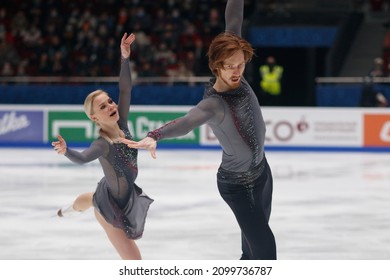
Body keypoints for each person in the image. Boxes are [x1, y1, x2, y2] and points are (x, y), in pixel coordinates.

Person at [121, 0, 276, 260]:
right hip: (236, 185)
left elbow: (234, 18)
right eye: (230, 66)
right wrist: (153, 135)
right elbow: (185, 122)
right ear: (216, 66)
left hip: (262, 174)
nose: (237, 71)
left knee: (252, 250)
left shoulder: (234, 58)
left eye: (241, 64)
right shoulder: (213, 104)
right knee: (265, 249)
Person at [51, 33, 153, 260]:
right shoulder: (102, 144)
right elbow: (83, 158)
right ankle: (68, 210)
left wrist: (125, 58)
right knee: (135, 262)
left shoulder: (123, 123)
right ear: (95, 118)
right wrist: (66, 150)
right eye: (102, 106)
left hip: (118, 195)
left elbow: (125, 90)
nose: (110, 106)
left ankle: (67, 208)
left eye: (109, 101)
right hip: (111, 208)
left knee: (90, 198)